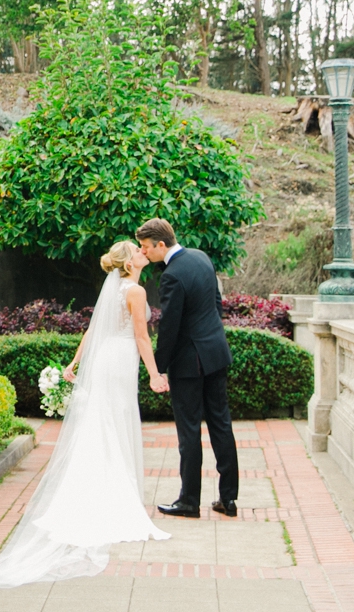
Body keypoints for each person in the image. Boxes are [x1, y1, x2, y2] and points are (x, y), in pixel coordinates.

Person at [0, 240, 169, 589]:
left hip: (106, 357)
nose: (142, 252)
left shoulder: (117, 290)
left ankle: (96, 492)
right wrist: (154, 373)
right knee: (114, 421)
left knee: (102, 421)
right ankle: (113, 499)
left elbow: (93, 331)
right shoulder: (134, 291)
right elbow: (140, 335)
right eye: (136, 250)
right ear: (128, 262)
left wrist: (74, 363)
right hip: (120, 359)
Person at [136, 217, 239, 519]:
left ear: (161, 245)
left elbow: (170, 327)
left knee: (189, 431)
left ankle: (189, 501)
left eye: (146, 248)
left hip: (188, 363)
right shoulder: (201, 257)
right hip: (216, 353)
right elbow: (217, 304)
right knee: (221, 424)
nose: (145, 253)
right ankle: (228, 499)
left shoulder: (172, 275)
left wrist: (159, 366)